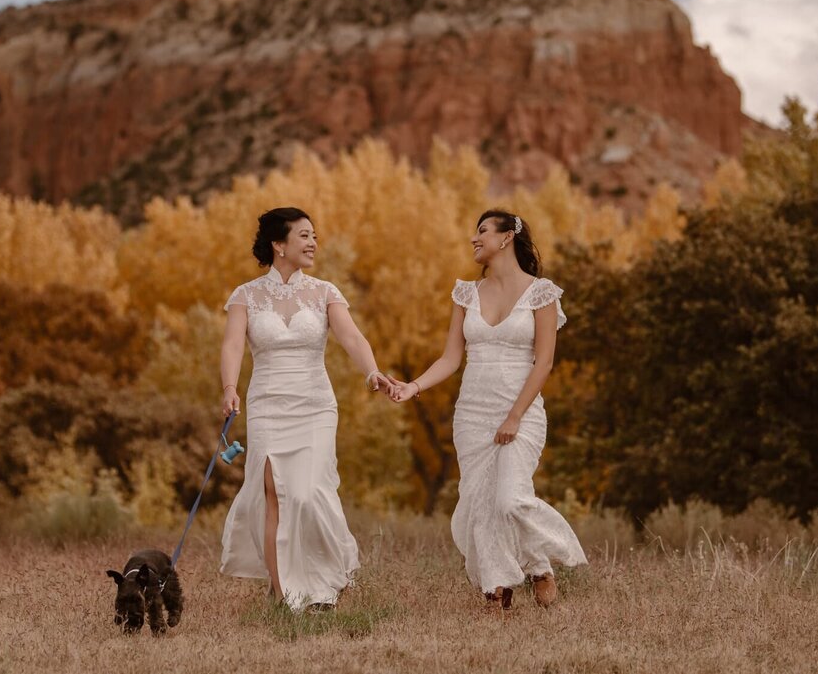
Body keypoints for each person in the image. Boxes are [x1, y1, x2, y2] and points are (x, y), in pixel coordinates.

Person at [389, 209, 587, 610]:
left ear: (506, 237)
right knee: (479, 500)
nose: (474, 239)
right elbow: (449, 359)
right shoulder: (465, 293)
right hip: (473, 412)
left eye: (482, 231)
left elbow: (544, 363)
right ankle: (496, 590)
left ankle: (541, 563)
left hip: (522, 409)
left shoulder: (542, 293)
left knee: (510, 499)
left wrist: (514, 416)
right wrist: (413, 386)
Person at [219, 207, 391, 611]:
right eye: (304, 235)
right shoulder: (246, 295)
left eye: (315, 235)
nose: (313, 242)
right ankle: (284, 596)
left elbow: (351, 337)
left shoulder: (325, 292)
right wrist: (229, 387)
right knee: (275, 495)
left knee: (309, 492)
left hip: (314, 404)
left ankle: (327, 578)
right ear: (279, 245)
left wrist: (372, 372)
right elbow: (231, 346)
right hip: (266, 405)